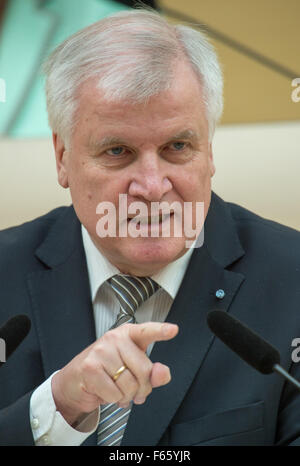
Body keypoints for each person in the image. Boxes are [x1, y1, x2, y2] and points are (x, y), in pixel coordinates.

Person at [1, 8, 300, 447]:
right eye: (117, 150)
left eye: (177, 146)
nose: (153, 187)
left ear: (210, 151)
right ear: (62, 157)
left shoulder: (293, 281)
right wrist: (56, 408)